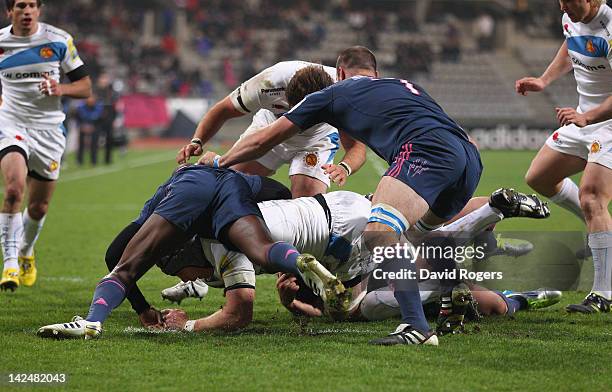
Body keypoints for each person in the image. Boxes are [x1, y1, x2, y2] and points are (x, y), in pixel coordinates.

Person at [198, 46, 485, 346]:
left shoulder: (332, 93)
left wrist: (220, 161)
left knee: (379, 233)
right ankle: (449, 289)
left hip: (423, 150)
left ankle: (416, 327)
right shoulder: (402, 84)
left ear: (341, 73)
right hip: (468, 156)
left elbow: (264, 140)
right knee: (418, 234)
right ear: (374, 74)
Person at [158, 188, 549, 331]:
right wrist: (289, 302)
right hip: (342, 213)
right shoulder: (229, 219)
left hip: (347, 249)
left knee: (359, 304)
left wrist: (187, 325)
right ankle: (523, 291)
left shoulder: (228, 250)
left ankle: (483, 234)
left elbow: (238, 312)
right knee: (493, 304)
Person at [36, 165, 348, 339]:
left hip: (191, 184)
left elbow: (115, 254)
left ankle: (92, 321)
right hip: (231, 186)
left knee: (126, 267)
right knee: (262, 249)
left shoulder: (159, 207)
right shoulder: (234, 182)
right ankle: (298, 260)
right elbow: (275, 191)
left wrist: (142, 309)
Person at [516, 0, 611, 313]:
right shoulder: (571, 19)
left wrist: (589, 117)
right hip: (583, 118)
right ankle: (596, 228)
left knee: (592, 198)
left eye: (569, 3)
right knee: (539, 177)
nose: (563, 10)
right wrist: (544, 79)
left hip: (607, 124)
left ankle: (604, 293)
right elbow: (570, 44)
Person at [0, 0, 92, 291]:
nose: (26, 11)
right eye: (20, 5)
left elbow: (86, 87)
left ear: (39, 10)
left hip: (49, 130)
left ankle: (26, 251)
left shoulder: (58, 40)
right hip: (11, 125)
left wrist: (60, 88)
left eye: (31, 5)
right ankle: (10, 264)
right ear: (9, 12)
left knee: (38, 206)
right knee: (14, 189)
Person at [176, 61, 367, 197]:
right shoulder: (269, 83)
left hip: (317, 140)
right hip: (270, 127)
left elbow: (357, 147)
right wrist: (197, 140)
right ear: (286, 96)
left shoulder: (343, 94)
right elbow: (223, 110)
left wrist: (344, 167)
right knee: (229, 184)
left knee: (307, 206)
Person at [75, 94, 104, 166]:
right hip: (83, 126)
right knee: (81, 142)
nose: (90, 100)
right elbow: (78, 118)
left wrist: (92, 126)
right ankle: (79, 160)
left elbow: (99, 118)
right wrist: (82, 126)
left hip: (94, 126)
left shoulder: (98, 106)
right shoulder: (81, 107)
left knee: (94, 142)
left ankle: (93, 161)